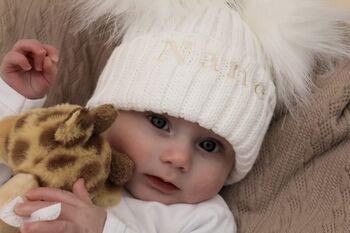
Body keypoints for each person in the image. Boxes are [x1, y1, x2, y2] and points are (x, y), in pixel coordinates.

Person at [1, 0, 349, 233]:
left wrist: (104, 228)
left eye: (210, 145)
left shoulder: (203, 219)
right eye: (158, 122)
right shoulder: (69, 149)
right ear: (109, 113)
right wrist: (16, 98)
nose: (179, 158)